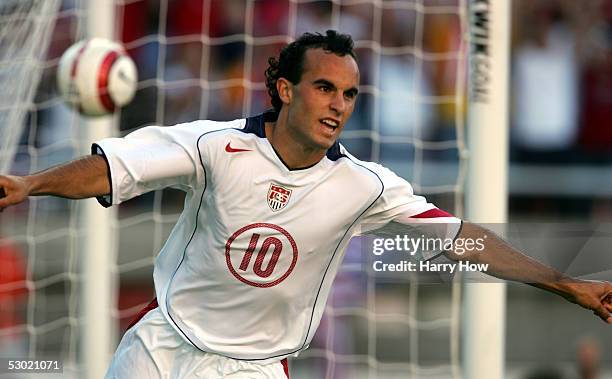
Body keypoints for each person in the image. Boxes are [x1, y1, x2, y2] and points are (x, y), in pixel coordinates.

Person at [0, 30, 610, 379]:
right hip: (162, 349)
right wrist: (29, 185)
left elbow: (462, 239)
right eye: (324, 88)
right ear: (285, 90)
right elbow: (113, 167)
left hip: (257, 368)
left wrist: (564, 283)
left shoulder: (364, 184)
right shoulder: (214, 146)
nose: (338, 104)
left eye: (348, 93)